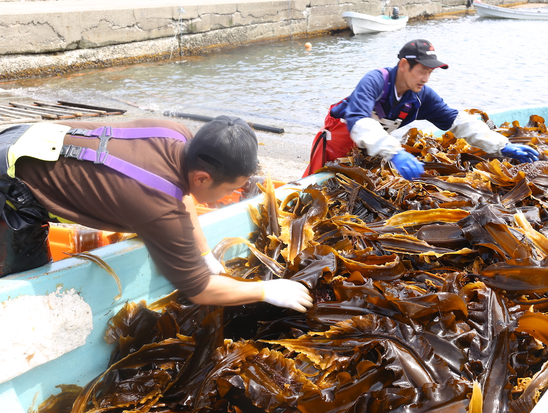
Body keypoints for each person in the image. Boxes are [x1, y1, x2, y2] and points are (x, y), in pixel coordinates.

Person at [0, 116, 313, 312]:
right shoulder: (157, 208)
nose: (224, 197)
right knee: (24, 281)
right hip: (9, 181)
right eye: (230, 188)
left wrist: (203, 250)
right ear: (203, 178)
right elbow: (200, 289)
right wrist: (264, 290)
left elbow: (181, 192)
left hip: (29, 137)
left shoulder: (175, 134)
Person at [304, 39, 539, 178]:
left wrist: (502, 145)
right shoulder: (376, 81)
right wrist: (395, 152)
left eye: (431, 72)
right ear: (404, 65)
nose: (426, 78)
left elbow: (458, 122)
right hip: (338, 140)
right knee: (320, 181)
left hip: (373, 148)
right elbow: (359, 121)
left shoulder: (421, 97)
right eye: (423, 71)